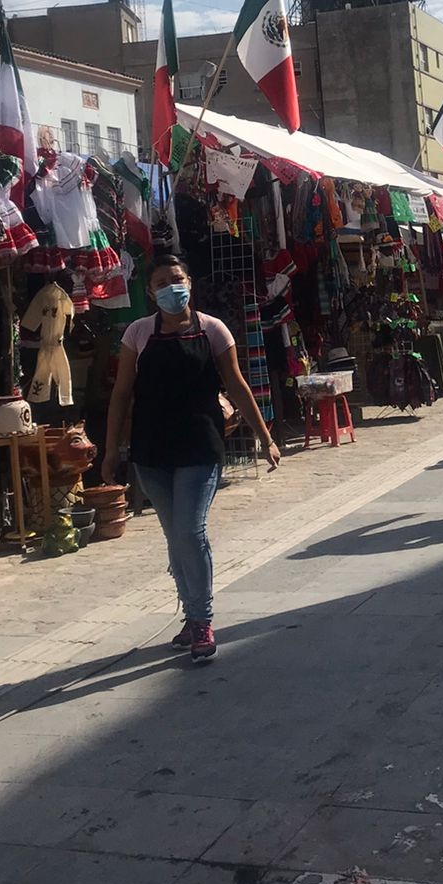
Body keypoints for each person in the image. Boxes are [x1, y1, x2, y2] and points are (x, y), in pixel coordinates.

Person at [103, 254, 280, 663]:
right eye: (161, 283)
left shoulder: (213, 329)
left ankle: (202, 620)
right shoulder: (138, 334)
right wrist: (112, 450)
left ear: (190, 283)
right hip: (152, 451)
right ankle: (190, 614)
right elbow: (121, 393)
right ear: (150, 293)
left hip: (201, 446)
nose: (171, 288)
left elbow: (237, 384)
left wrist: (265, 437)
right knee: (175, 535)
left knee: (189, 531)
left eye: (177, 279)